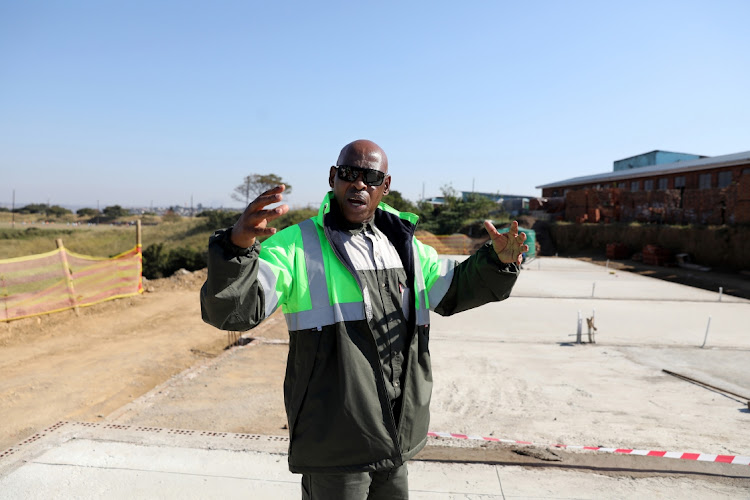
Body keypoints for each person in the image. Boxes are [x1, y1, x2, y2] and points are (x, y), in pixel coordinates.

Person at [200, 139, 527, 499]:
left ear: (385, 187)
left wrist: (498, 263)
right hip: (335, 440)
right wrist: (236, 248)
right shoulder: (294, 246)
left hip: (395, 435)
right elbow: (234, 310)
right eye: (349, 174)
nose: (358, 184)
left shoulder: (407, 247)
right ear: (332, 178)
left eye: (370, 177)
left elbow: (453, 291)